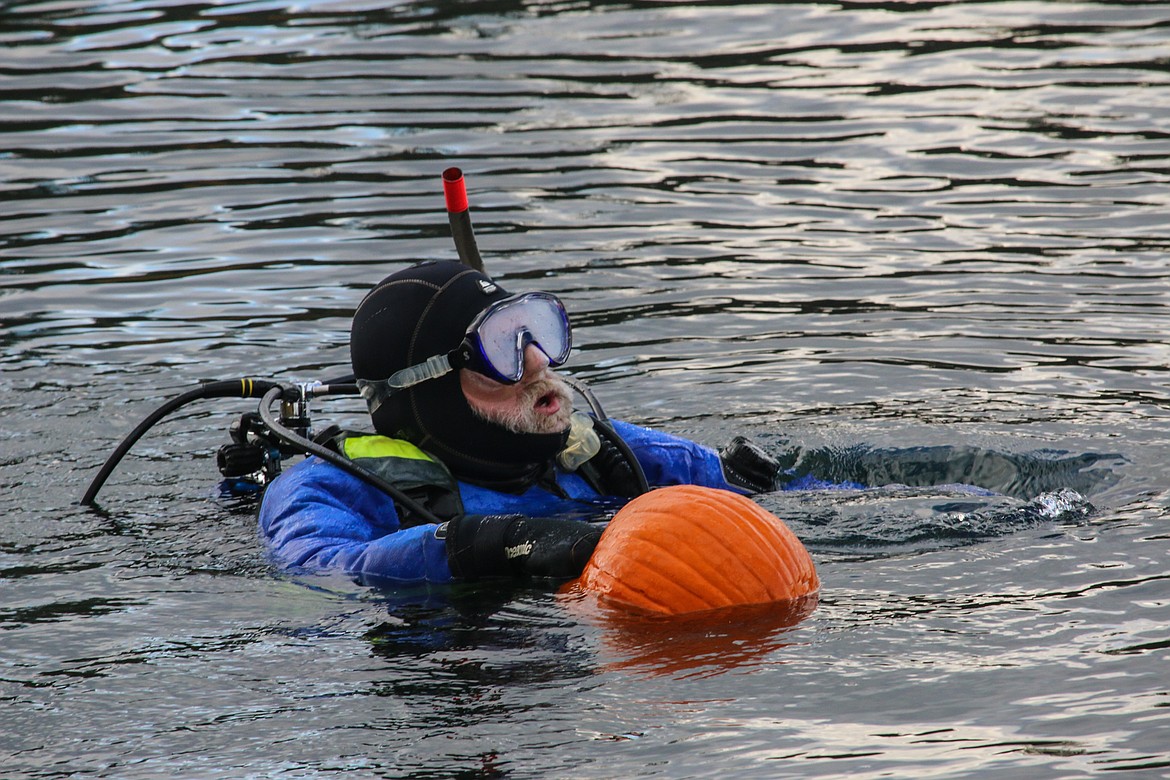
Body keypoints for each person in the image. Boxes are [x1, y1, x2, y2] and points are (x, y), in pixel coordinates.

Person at [258, 260, 800, 587]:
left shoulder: (600, 454)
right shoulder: (328, 488)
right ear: (431, 387)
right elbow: (319, 572)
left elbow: (818, 500)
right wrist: (489, 545)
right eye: (502, 350)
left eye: (535, 333)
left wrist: (763, 489)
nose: (539, 362)